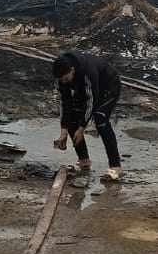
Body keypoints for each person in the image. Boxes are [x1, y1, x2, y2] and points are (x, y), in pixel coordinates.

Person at [52, 51, 123, 181]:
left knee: (100, 118)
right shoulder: (61, 77)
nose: (64, 82)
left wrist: (81, 128)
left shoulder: (86, 72)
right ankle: (84, 160)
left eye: (66, 79)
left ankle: (115, 166)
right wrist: (63, 130)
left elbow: (91, 101)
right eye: (62, 80)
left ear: (72, 70)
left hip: (108, 85)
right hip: (85, 88)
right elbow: (65, 102)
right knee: (72, 118)